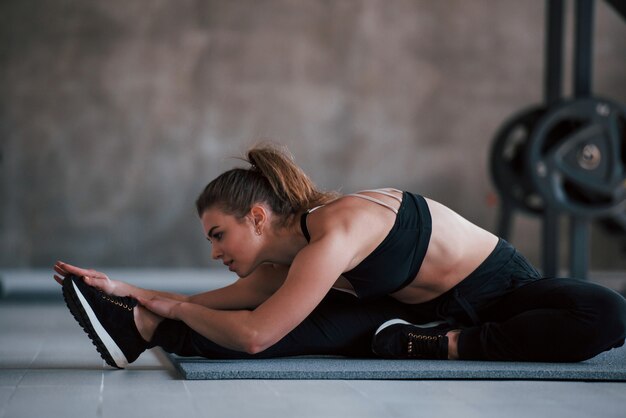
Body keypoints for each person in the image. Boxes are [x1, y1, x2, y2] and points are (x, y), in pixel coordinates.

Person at [54, 144, 626, 369]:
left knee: (606, 314)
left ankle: (444, 346)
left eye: (217, 234)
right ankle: (139, 330)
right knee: (272, 333)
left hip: (500, 291)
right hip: (409, 311)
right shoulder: (290, 262)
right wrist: (134, 296)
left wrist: (164, 301)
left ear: (257, 217)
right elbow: (231, 314)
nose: (214, 252)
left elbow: (254, 331)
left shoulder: (337, 232)